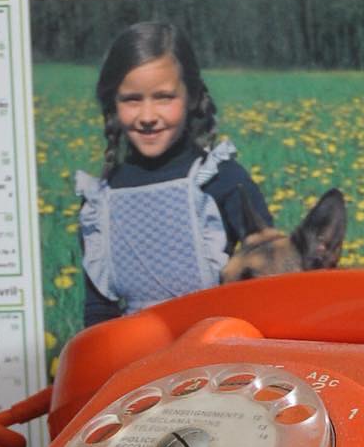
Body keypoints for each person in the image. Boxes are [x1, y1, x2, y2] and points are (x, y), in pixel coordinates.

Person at [75, 22, 272, 326]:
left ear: (192, 97)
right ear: (113, 102)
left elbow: (267, 286)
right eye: (131, 99)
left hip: (221, 358)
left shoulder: (224, 181)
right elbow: (99, 312)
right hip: (138, 361)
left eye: (164, 97)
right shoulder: (100, 202)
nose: (148, 117)